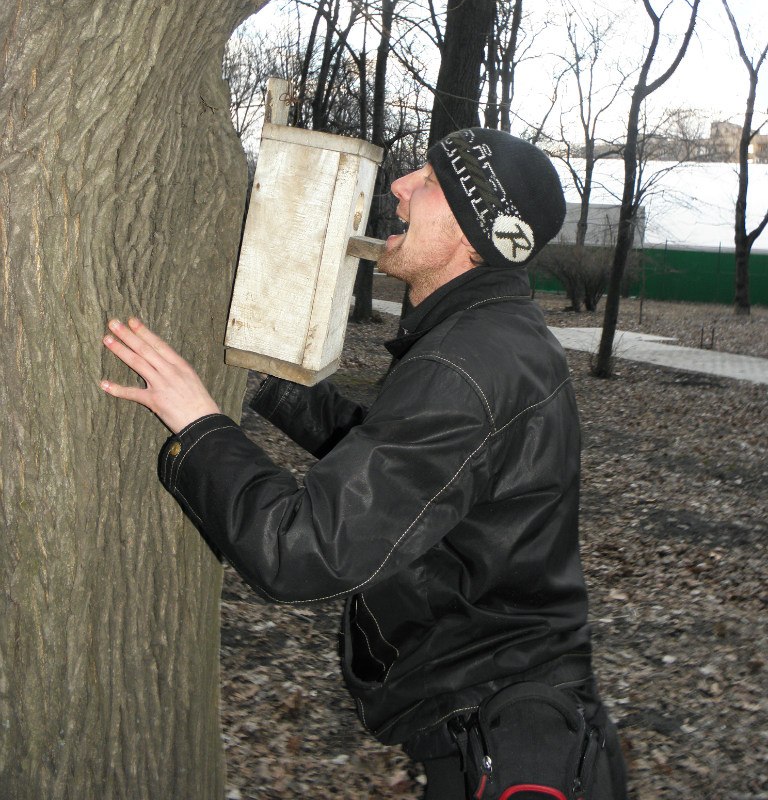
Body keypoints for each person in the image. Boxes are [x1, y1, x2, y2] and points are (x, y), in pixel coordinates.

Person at [101, 127, 627, 800]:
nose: (401, 185)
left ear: (475, 238)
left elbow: (301, 551)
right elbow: (408, 462)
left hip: (500, 748)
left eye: (431, 182)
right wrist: (270, 382)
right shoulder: (500, 341)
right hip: (513, 706)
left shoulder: (465, 366)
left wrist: (199, 426)